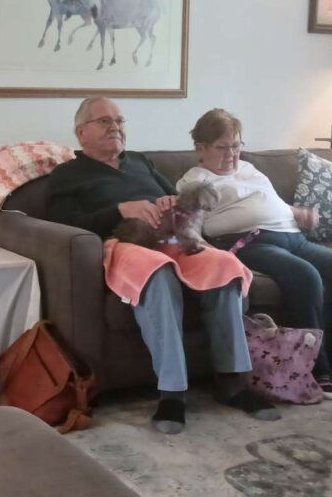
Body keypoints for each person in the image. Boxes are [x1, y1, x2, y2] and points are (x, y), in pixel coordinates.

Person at [46, 97, 280, 435]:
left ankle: (232, 381)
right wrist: (119, 210)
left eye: (120, 121)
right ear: (81, 133)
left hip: (171, 239)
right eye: (105, 121)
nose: (115, 127)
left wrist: (171, 203)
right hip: (123, 243)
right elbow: (62, 223)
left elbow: (176, 198)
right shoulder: (67, 175)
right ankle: (172, 393)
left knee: (223, 264)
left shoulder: (141, 161)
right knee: (157, 271)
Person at [177, 108, 332, 399]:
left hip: (294, 237)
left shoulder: (250, 169)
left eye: (236, 145)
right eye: (222, 147)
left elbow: (271, 202)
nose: (231, 154)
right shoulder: (194, 182)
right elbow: (190, 227)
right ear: (200, 148)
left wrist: (298, 213)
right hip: (251, 243)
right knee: (305, 276)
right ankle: (315, 369)